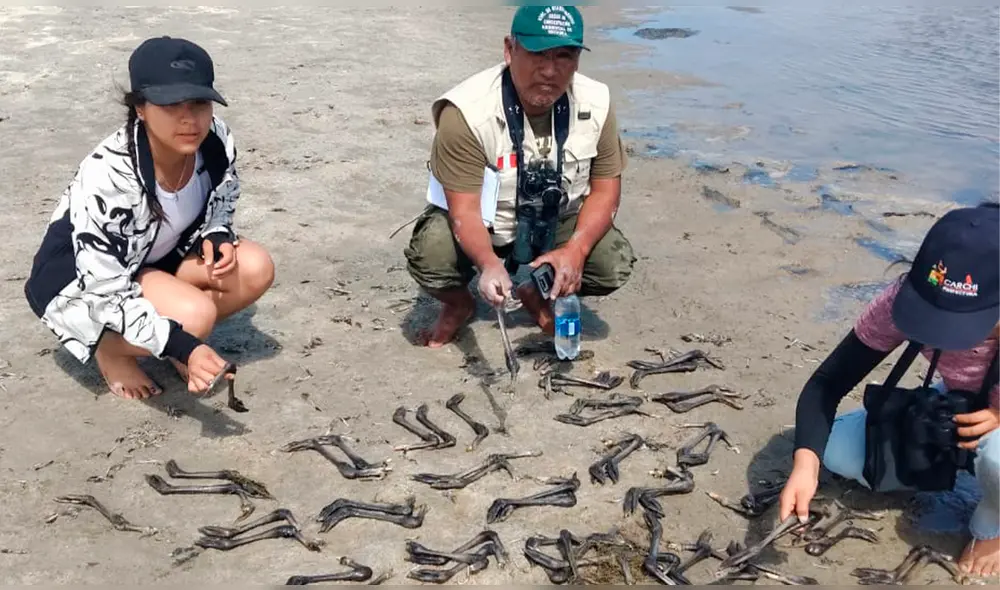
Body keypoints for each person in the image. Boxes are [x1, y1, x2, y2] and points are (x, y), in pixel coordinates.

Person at [24, 36, 275, 400]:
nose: (190, 119)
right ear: (140, 107)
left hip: (154, 258)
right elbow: (103, 289)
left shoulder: (215, 137)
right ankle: (111, 348)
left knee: (255, 268)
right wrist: (184, 346)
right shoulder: (109, 175)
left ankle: (164, 337)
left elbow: (225, 189)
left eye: (200, 102)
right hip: (84, 283)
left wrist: (218, 231)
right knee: (197, 316)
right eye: (171, 104)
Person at [779, 203, 1000, 577]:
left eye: (962, 323)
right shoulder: (904, 297)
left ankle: (992, 528)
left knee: (997, 459)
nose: (944, 333)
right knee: (835, 451)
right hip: (962, 402)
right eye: (934, 317)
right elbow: (826, 383)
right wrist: (805, 465)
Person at [403, 5, 636, 347]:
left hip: (556, 218)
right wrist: (487, 265)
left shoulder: (597, 102)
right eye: (537, 54)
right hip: (486, 222)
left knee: (611, 263)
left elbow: (606, 190)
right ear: (509, 50)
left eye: (564, 56)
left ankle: (536, 290)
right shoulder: (466, 112)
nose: (550, 70)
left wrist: (576, 249)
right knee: (431, 255)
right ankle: (459, 303)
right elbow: (464, 209)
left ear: (577, 61)